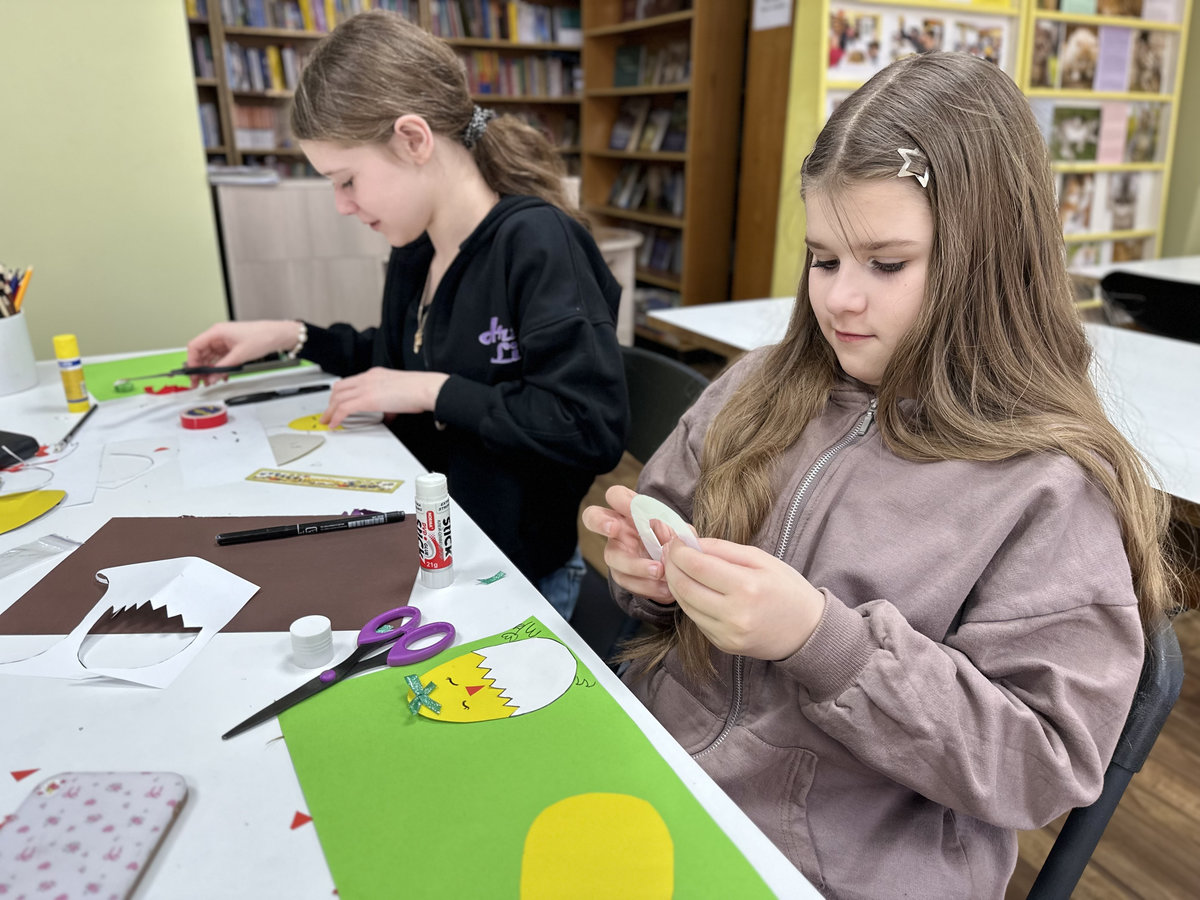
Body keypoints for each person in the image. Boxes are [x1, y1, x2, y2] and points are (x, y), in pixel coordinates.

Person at [583, 52, 1177, 899]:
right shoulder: (755, 387)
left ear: (988, 259)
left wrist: (819, 641)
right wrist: (648, 572)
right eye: (823, 259)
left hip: (834, 872)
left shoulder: (1049, 488)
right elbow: (668, 527)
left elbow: (1043, 762)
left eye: (886, 264)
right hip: (660, 782)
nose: (839, 301)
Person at [187, 11, 627, 620]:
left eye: (347, 180)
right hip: (430, 551)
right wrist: (290, 335)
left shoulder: (537, 243)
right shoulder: (416, 248)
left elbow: (588, 427)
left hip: (515, 575)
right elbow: (399, 360)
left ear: (414, 139)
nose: (341, 205)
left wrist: (431, 391)